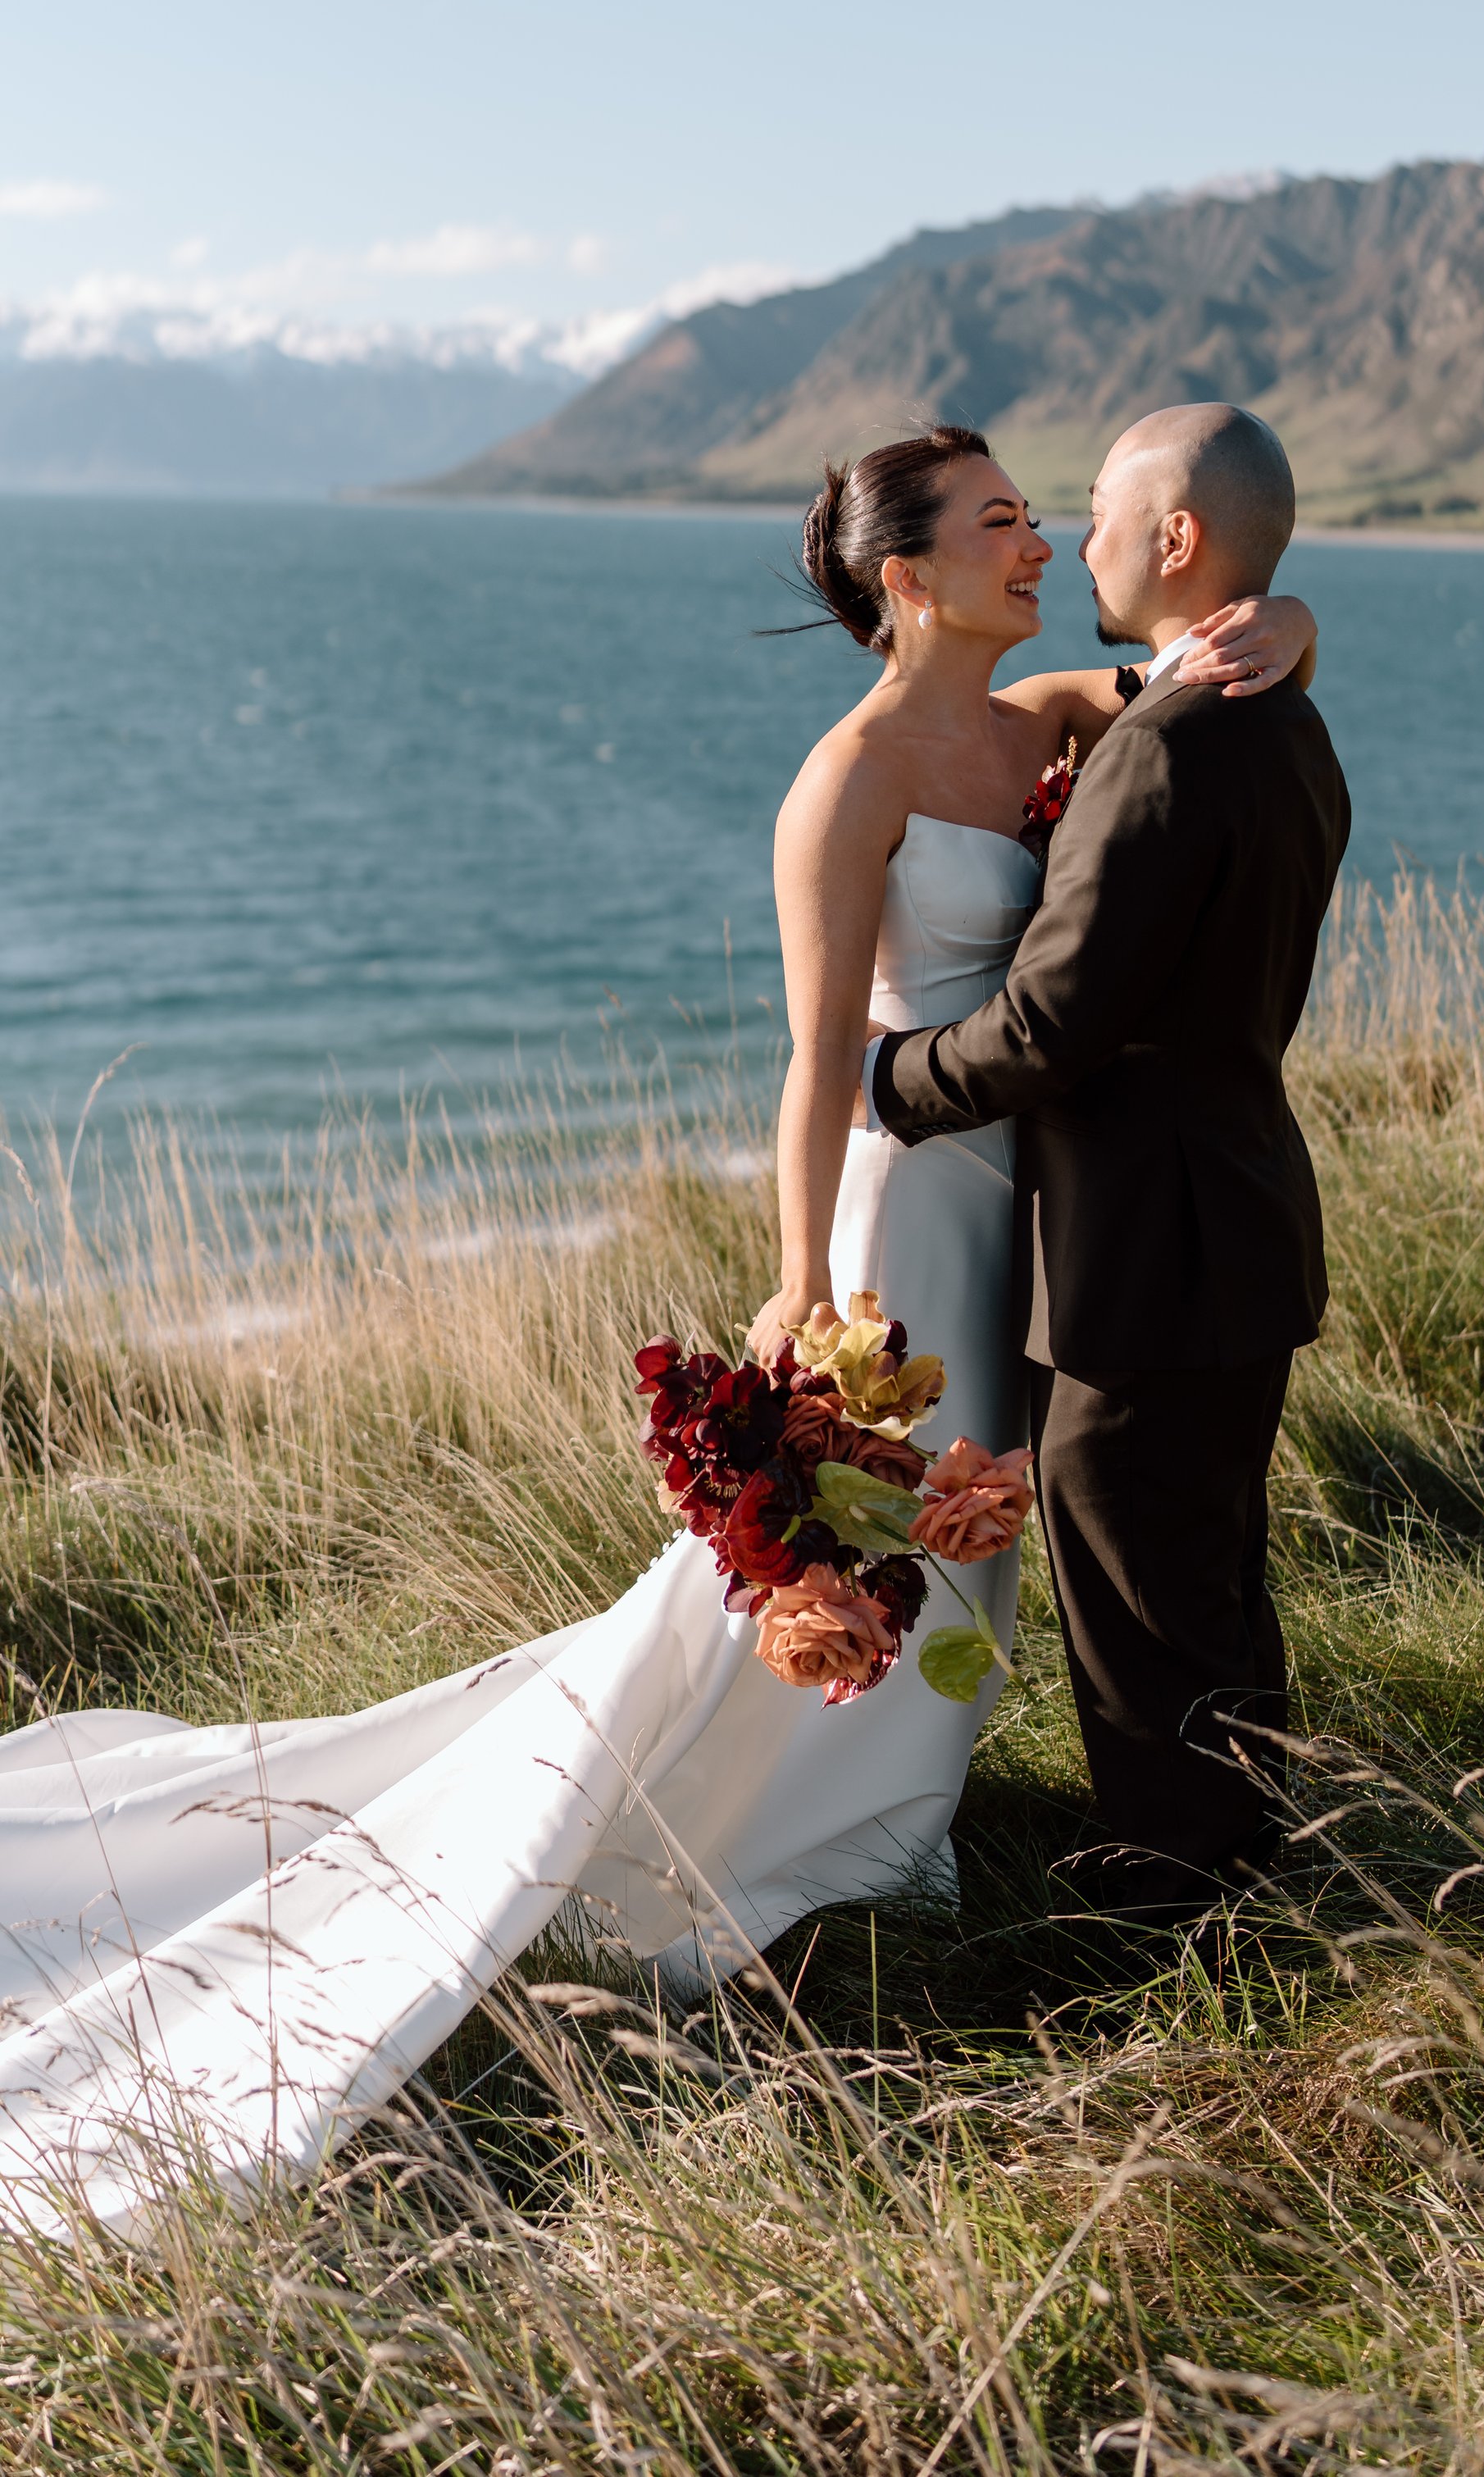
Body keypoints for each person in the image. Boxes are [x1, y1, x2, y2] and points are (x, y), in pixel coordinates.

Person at [0, 419, 1316, 2234]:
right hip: (904, 1199)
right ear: (907, 574)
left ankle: (915, 1810)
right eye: (1002, 522)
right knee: (873, 1527)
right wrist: (797, 1279)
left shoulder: (1045, 724)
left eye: (1047, 519)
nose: (1035, 545)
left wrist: (1289, 616)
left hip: (1034, 1208)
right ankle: (797, 1828)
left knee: (983, 1531)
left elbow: (1188, 671)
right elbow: (815, 1059)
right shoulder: (843, 780)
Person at [867, 403, 1350, 1921]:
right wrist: (1296, 623)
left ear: (1178, 538)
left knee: (1139, 1591)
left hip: (1145, 1251)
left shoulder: (1160, 752)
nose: (1074, 545)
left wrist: (887, 1077)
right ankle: (1252, 1866)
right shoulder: (1286, 723)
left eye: (1094, 513)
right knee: (1207, 1574)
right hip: (1240, 1216)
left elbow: (1049, 1026)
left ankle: (1175, 1915)